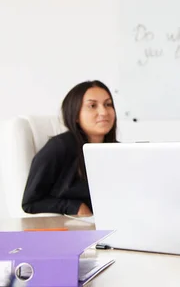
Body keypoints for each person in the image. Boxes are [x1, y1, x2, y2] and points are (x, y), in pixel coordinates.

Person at [22, 80, 118, 215]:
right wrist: (75, 207)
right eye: (92, 105)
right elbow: (30, 203)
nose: (103, 112)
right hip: (74, 229)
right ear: (75, 114)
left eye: (108, 104)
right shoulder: (58, 147)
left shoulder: (118, 151)